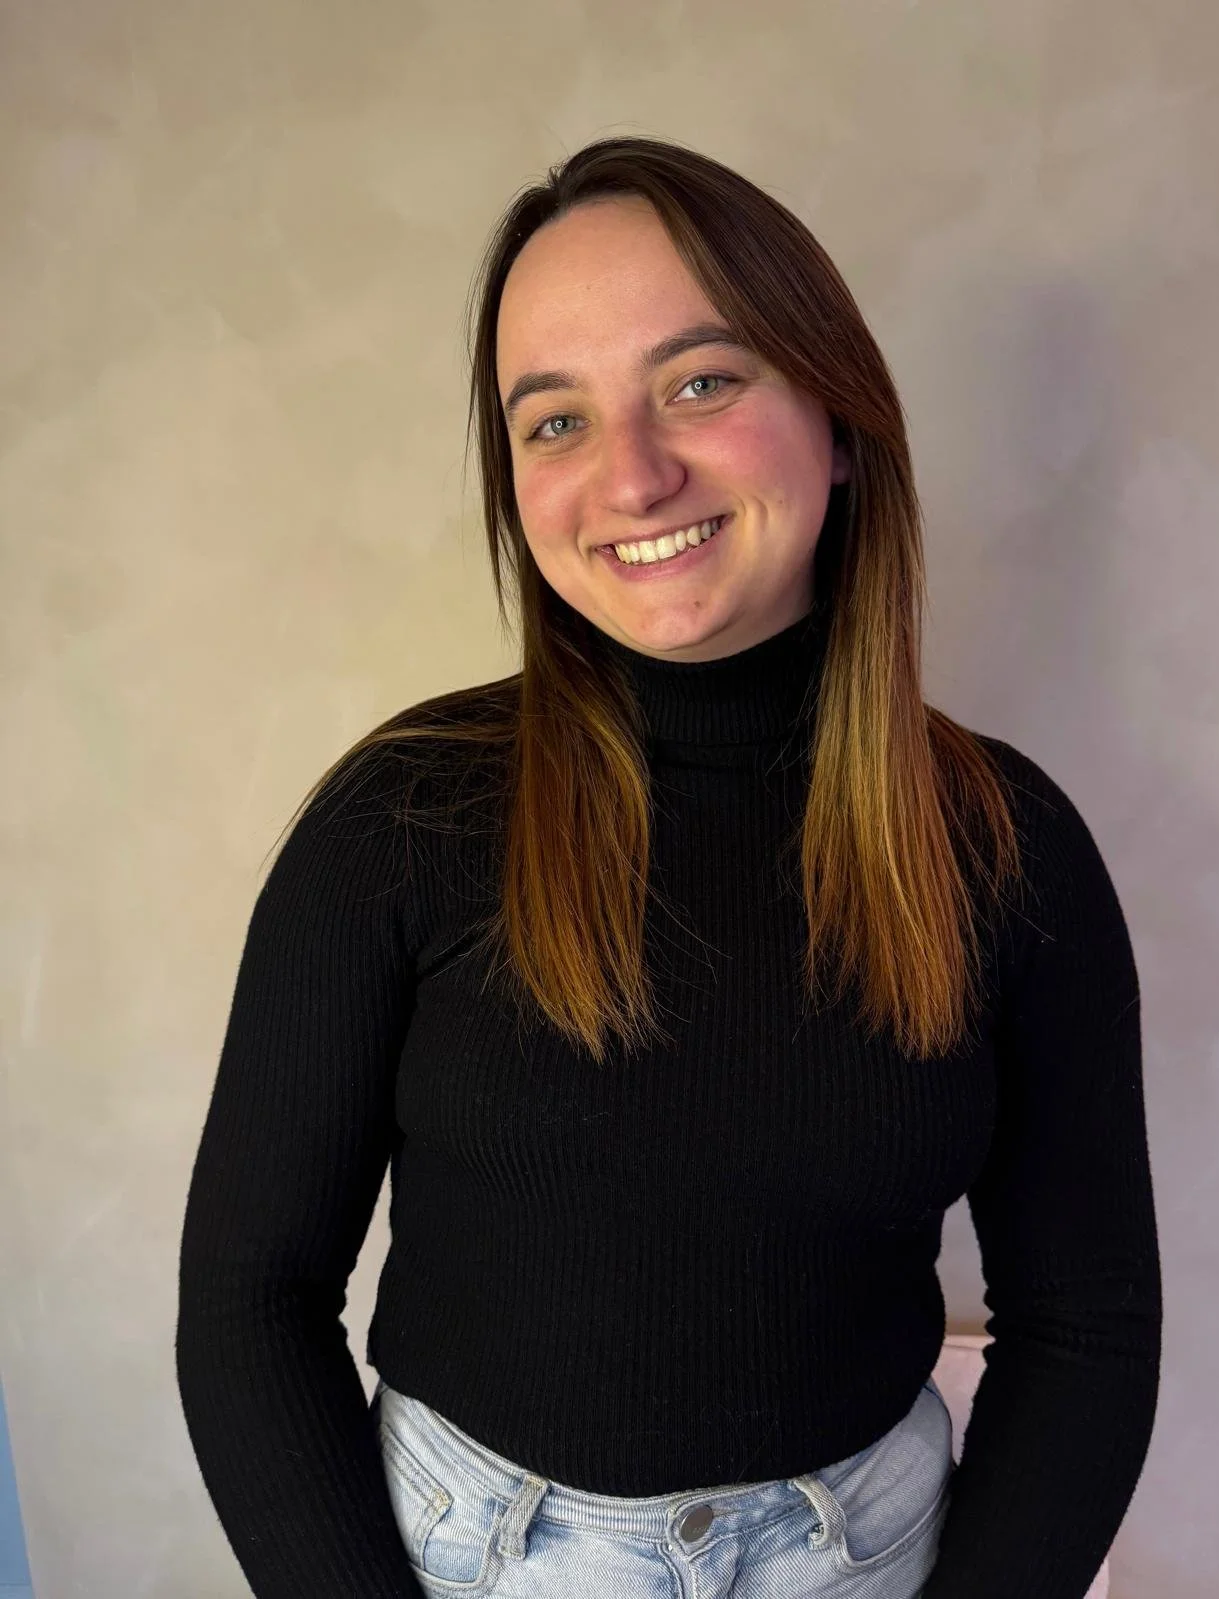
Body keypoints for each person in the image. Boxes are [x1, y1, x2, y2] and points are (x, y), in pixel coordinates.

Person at [176, 136, 1162, 1599]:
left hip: (871, 1557)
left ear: (836, 415)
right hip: (472, 1560)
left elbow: (1086, 1326)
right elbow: (248, 1307)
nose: (631, 476)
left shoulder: (1007, 853)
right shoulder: (399, 825)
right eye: (553, 421)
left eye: (701, 381)